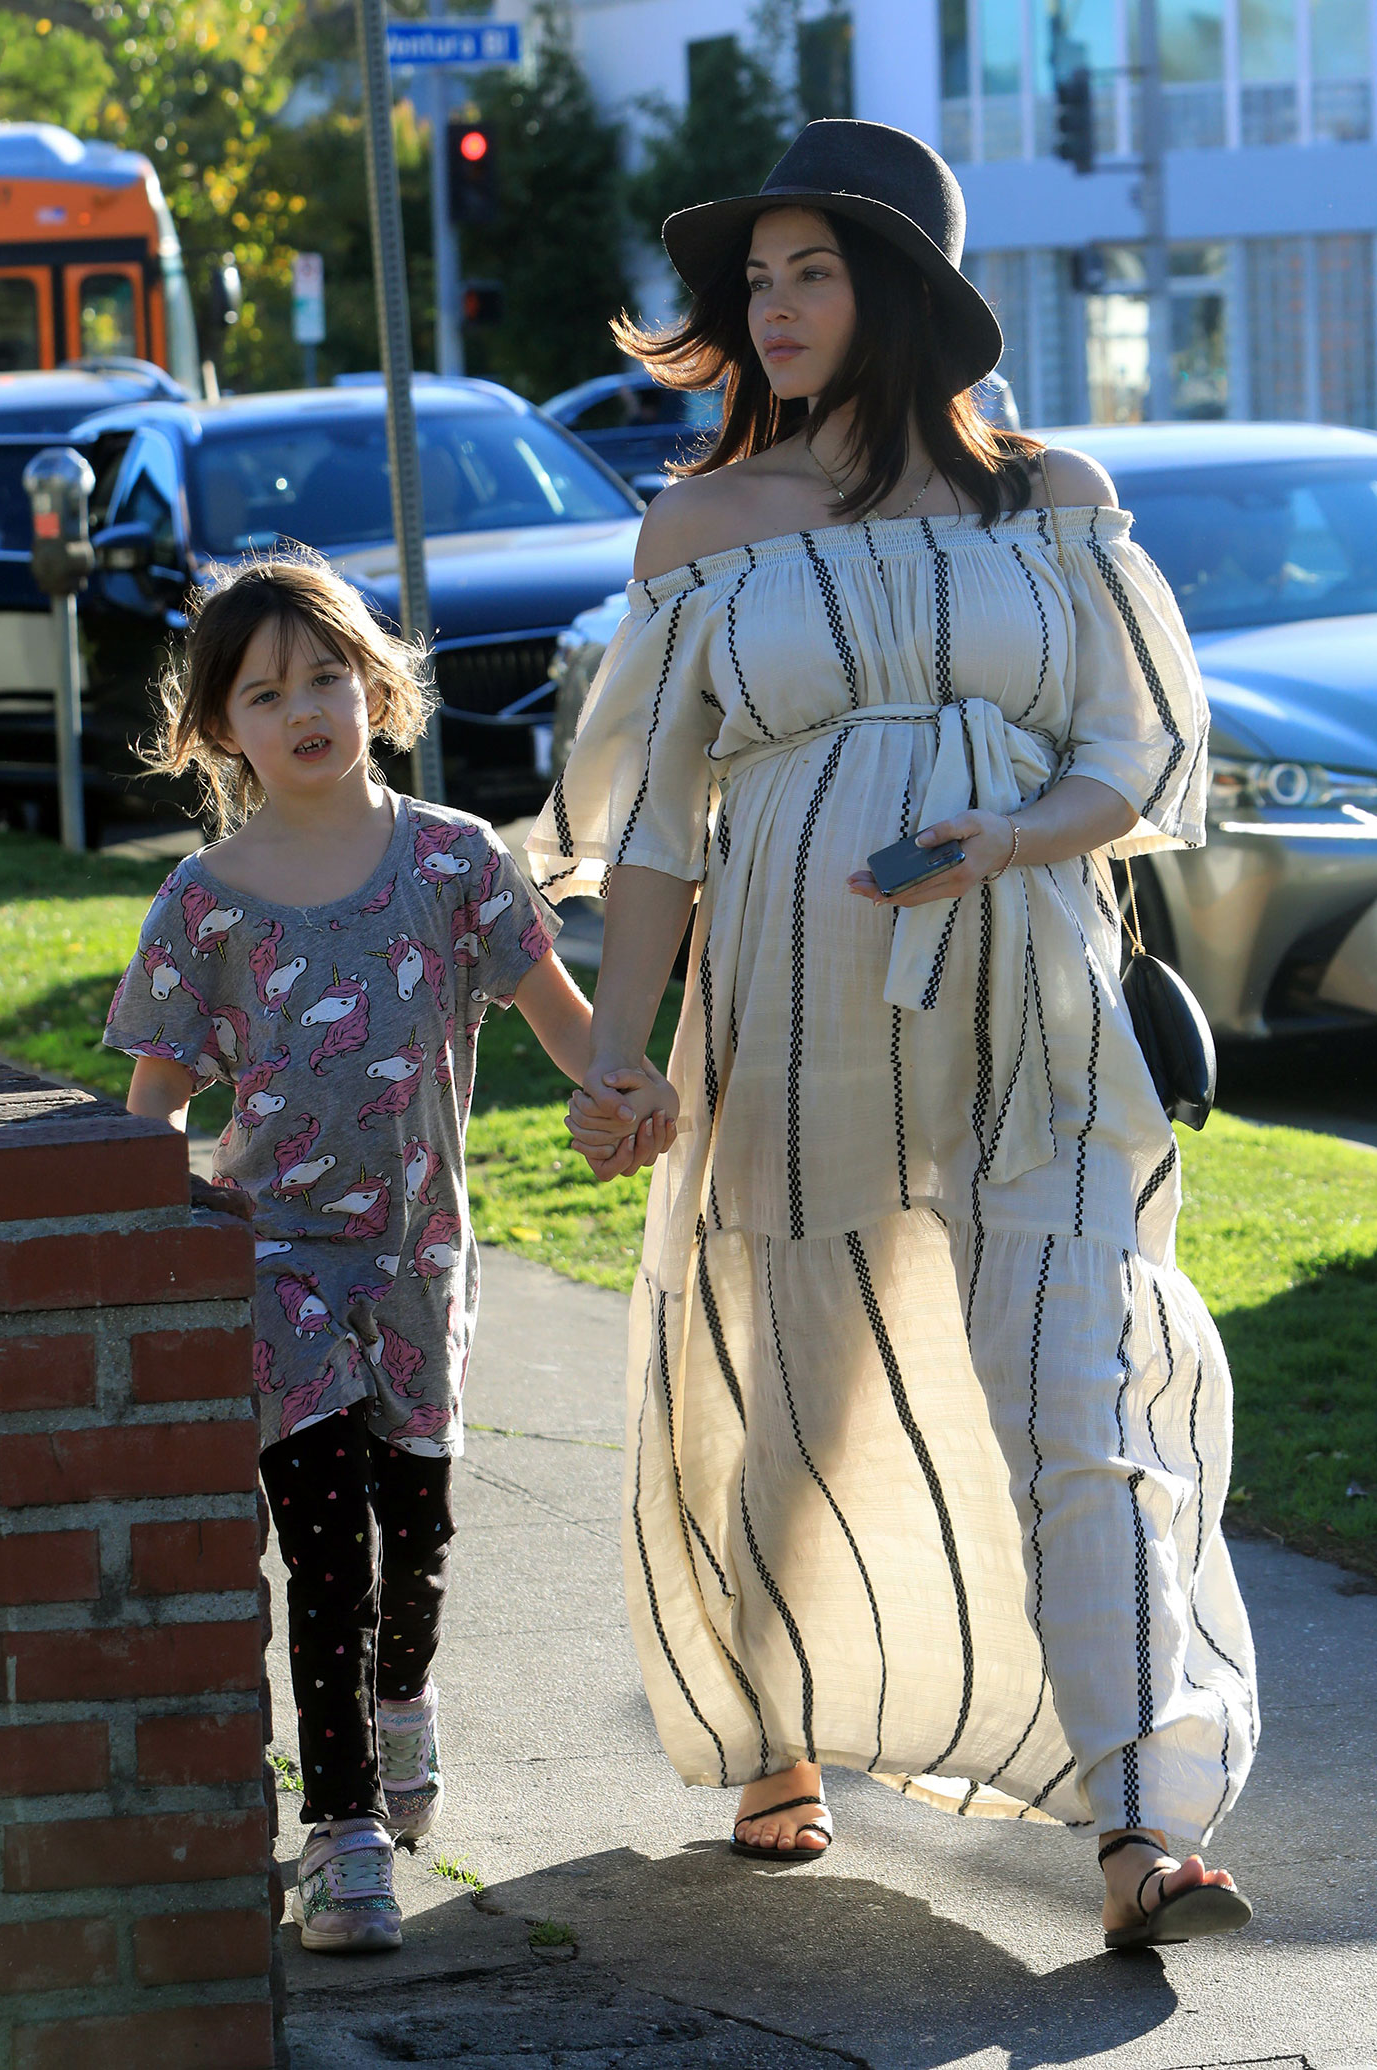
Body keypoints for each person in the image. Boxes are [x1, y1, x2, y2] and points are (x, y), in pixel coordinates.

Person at [529, 121, 1258, 1951]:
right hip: (789, 1004)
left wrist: (1011, 835)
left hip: (1033, 993)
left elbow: (1136, 753)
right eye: (755, 279)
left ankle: (1137, 1819)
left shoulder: (1052, 497)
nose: (772, 309)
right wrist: (624, 1051)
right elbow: (658, 832)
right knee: (799, 1371)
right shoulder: (700, 527)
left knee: (1078, 1392)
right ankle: (781, 1717)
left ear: (903, 289)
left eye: (814, 271)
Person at [104, 556, 677, 1954]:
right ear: (217, 729)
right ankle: (344, 1835)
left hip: (419, 1255)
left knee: (413, 1528)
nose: (304, 707)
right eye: (264, 691)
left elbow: (560, 1016)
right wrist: (146, 1218)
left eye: (325, 675)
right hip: (275, 1263)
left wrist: (622, 1085)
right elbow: (153, 1108)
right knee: (323, 1544)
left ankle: (402, 1697)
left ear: (375, 683)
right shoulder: (204, 904)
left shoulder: (453, 858)